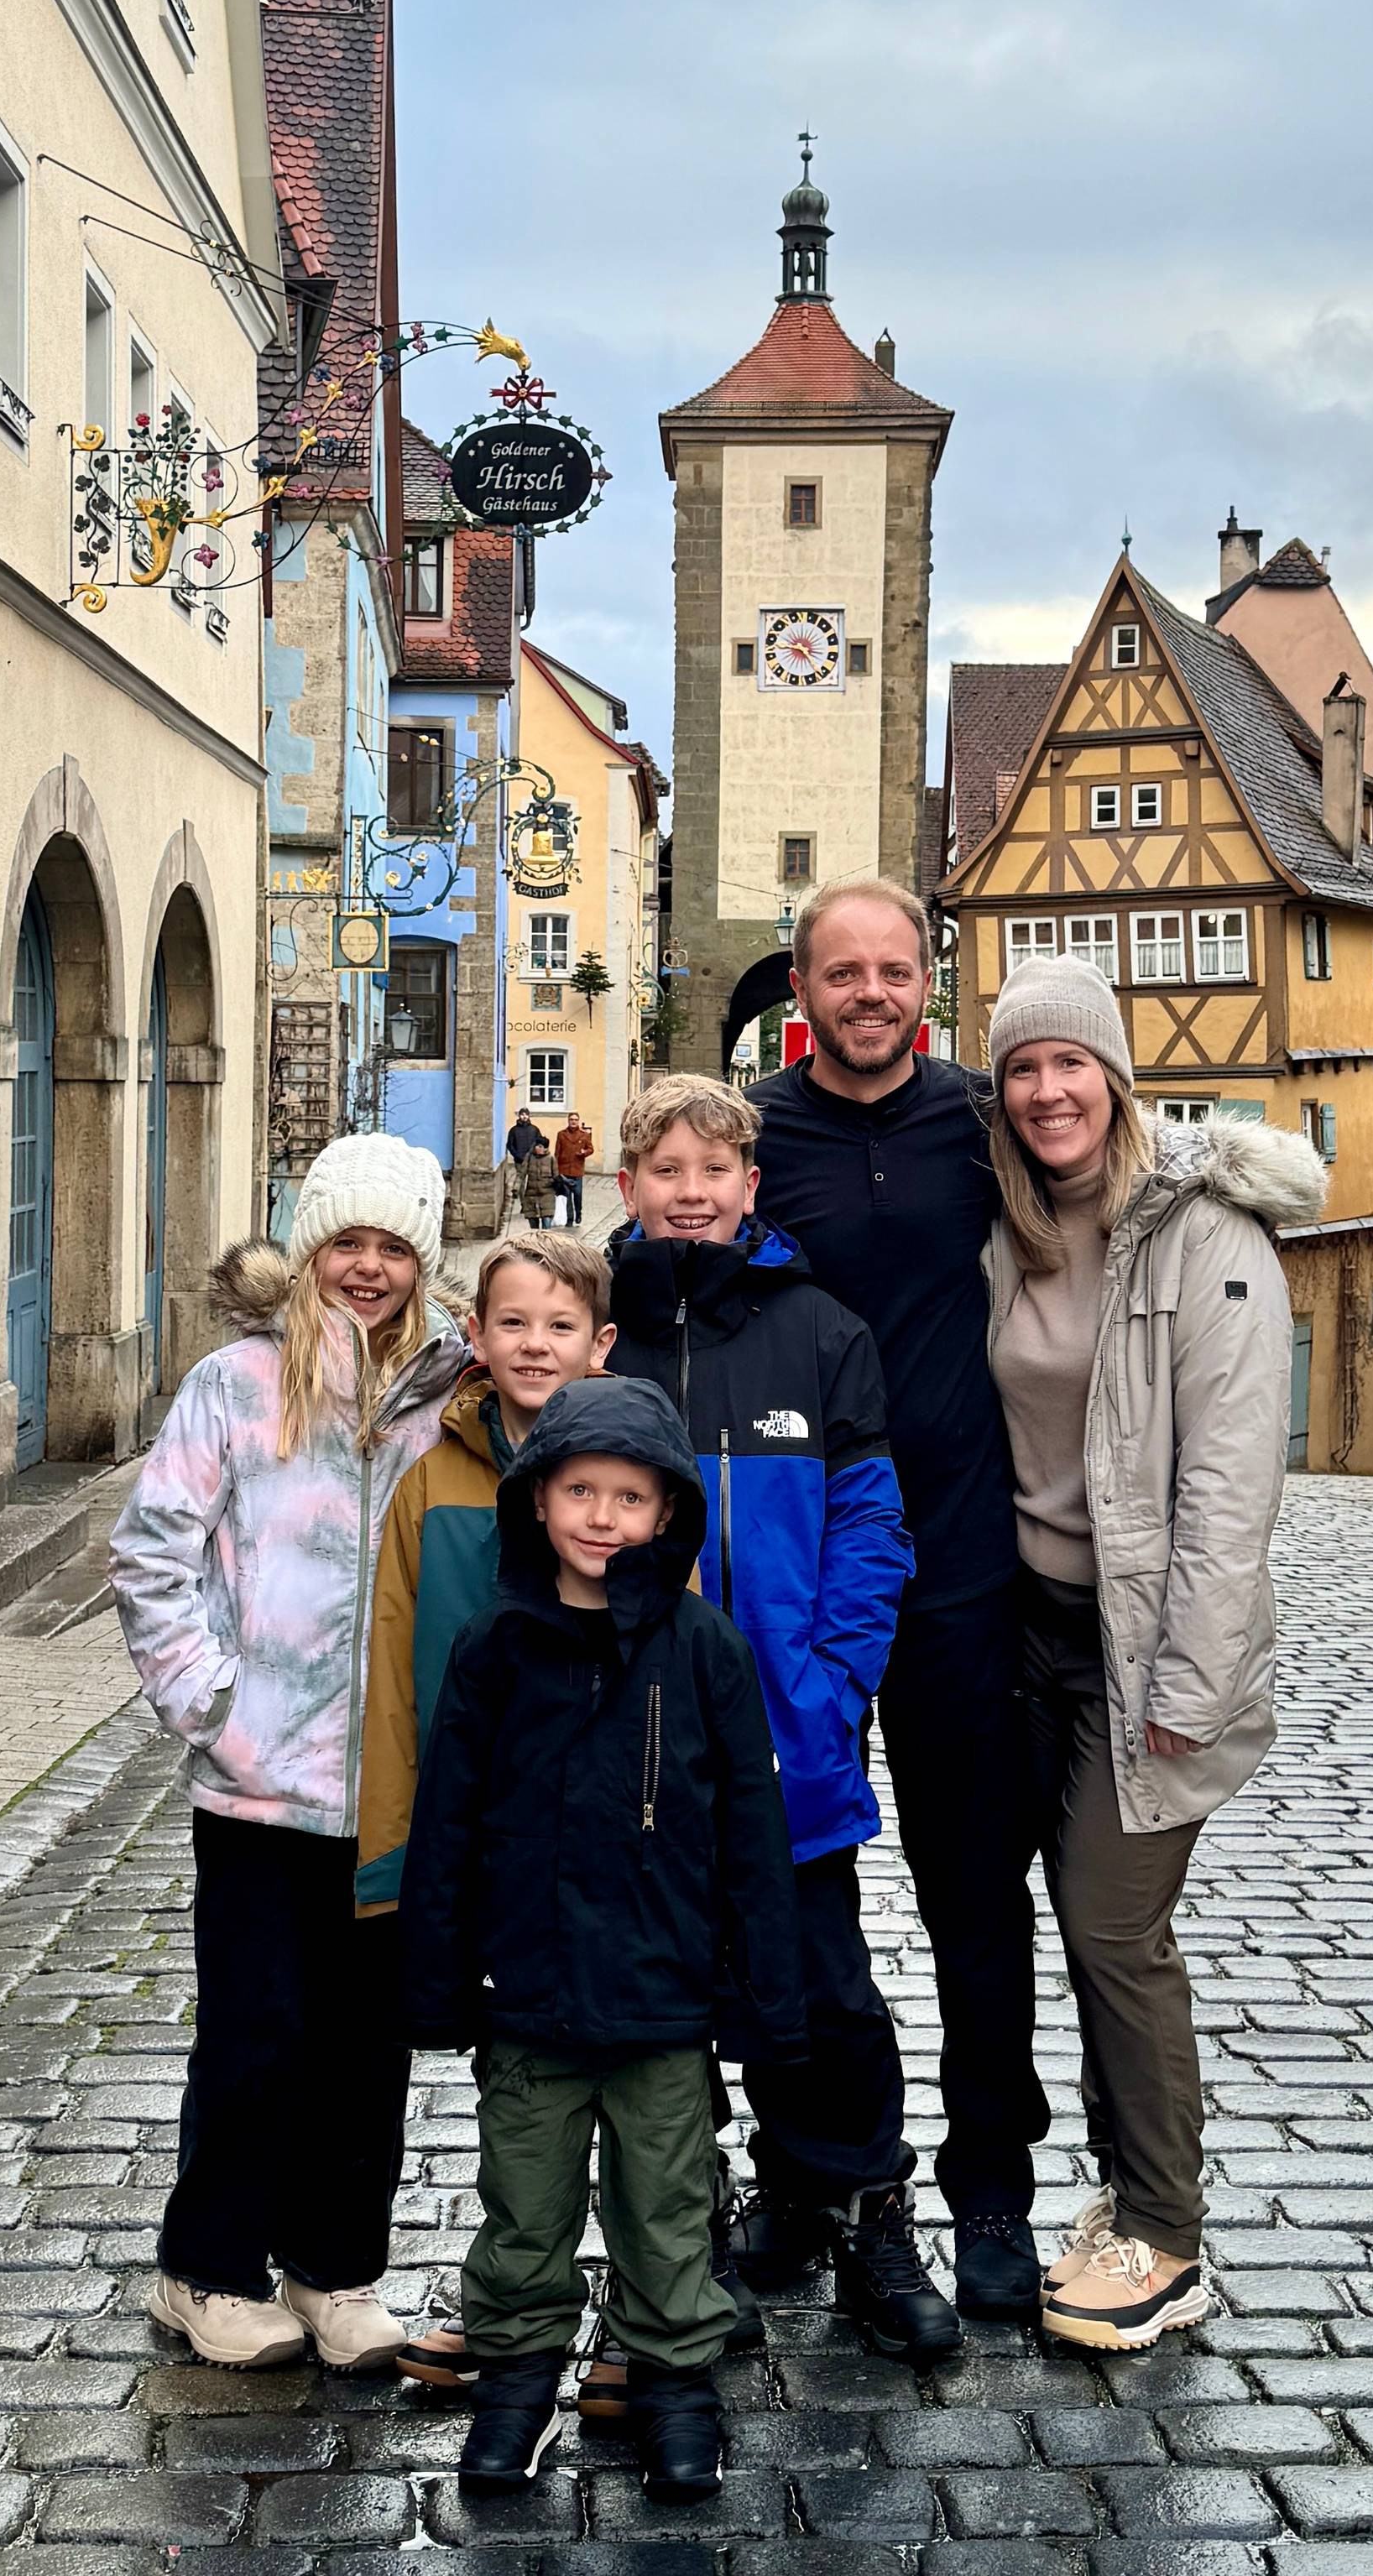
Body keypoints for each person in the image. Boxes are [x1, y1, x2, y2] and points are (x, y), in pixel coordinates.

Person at [984, 957, 1325, 2350]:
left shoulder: (1207, 1238)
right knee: (1077, 1918)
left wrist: (1185, 1682)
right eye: (1022, 1065)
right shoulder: (1008, 1221)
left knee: (1116, 1921)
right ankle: (1126, 2195)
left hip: (1150, 1647)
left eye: (1072, 1062)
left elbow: (1230, 1493)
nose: (1049, 1088)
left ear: (1116, 1075)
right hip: (1028, 1634)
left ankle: (1169, 2234)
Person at [401, 1378, 806, 2505]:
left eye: (628, 1498)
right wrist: (438, 1977)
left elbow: (750, 1834)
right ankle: (519, 2383)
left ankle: (675, 2383)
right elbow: (447, 1822)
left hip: (662, 2002)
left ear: (667, 1515)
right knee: (522, 2208)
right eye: (579, 1489)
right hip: (528, 1997)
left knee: (666, 2208)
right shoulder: (497, 1649)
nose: (599, 1516)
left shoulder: (705, 1649)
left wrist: (765, 1994)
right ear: (537, 1502)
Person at [607, 1073, 958, 2361]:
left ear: (751, 1188)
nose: (690, 1194)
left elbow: (872, 1523)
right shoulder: (603, 1333)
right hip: (634, 1752)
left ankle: (859, 2206)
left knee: (820, 1993)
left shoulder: (820, 1332)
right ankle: (688, 2231)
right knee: (660, 1999)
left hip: (788, 1740)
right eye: (666, 1171)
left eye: (715, 1172)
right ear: (630, 1185)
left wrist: (834, 1676)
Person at [109, 1134, 466, 2371]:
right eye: (345, 1245)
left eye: (391, 1248)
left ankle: (335, 2269)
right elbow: (153, 1554)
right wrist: (214, 1705)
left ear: (419, 1263)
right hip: (260, 1787)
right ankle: (202, 2270)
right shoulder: (236, 1385)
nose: (366, 1270)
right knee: (258, 2029)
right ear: (310, 1252)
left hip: (391, 1785)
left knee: (368, 2039)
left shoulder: (445, 1395)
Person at [749, 879, 1047, 2318]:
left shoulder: (980, 1122)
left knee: (973, 1890)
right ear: (802, 982)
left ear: (927, 980)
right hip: (794, 1579)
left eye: (895, 969)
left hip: (961, 1563)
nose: (870, 991)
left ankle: (991, 2181)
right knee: (794, 1881)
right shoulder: (754, 1136)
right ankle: (804, 2170)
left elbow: (1123, 1200)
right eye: (842, 970)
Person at [356, 1230, 616, 2396]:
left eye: (560, 1326)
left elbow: (693, 1669)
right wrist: (391, 1859)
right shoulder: (434, 1481)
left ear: (599, 1346)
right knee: (519, 2096)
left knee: (658, 2098)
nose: (533, 1346)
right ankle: (512, 2306)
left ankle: (656, 2323)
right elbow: (393, 1675)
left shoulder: (631, 1475)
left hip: (617, 1852)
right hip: (489, 1844)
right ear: (476, 1336)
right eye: (512, 1324)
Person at [499, 1108, 548, 1228]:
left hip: (532, 1160)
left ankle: (531, 1204)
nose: (524, 1117)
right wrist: (517, 1155)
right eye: (522, 1114)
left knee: (531, 1183)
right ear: (519, 1116)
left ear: (529, 1116)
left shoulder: (534, 1129)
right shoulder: (514, 1130)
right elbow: (510, 1145)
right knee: (521, 1184)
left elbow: (539, 1143)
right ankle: (524, 1205)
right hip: (519, 1161)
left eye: (526, 1115)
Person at [554, 1113, 595, 1226]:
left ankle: (578, 1213)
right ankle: (569, 1218)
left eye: (576, 1120)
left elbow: (591, 1149)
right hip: (564, 1169)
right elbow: (557, 1152)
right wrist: (556, 1169)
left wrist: (584, 1153)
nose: (573, 1122)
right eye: (571, 1119)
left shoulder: (584, 1135)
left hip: (577, 1169)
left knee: (577, 1195)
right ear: (568, 1120)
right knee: (567, 1196)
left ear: (578, 1121)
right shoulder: (561, 1134)